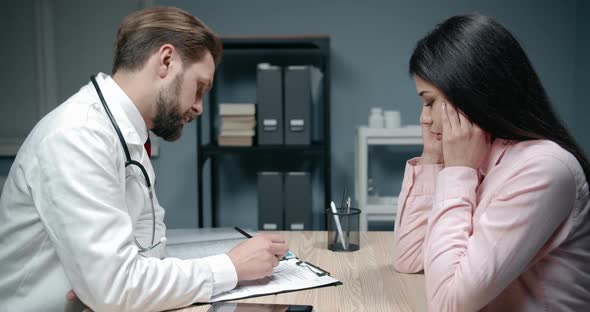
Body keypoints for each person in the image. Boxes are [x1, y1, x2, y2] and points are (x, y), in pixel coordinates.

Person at [0, 7, 289, 312]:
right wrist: (231, 267)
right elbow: (116, 288)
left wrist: (109, 285)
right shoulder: (77, 136)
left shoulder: (129, 135)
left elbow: (144, 256)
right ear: (166, 61)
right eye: (199, 88)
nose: (199, 107)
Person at [392, 13, 590, 311]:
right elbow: (408, 259)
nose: (424, 118)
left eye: (429, 101)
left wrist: (458, 172)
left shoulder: (543, 169)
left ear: (468, 92)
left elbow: (449, 302)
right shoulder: (481, 157)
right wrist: (433, 156)